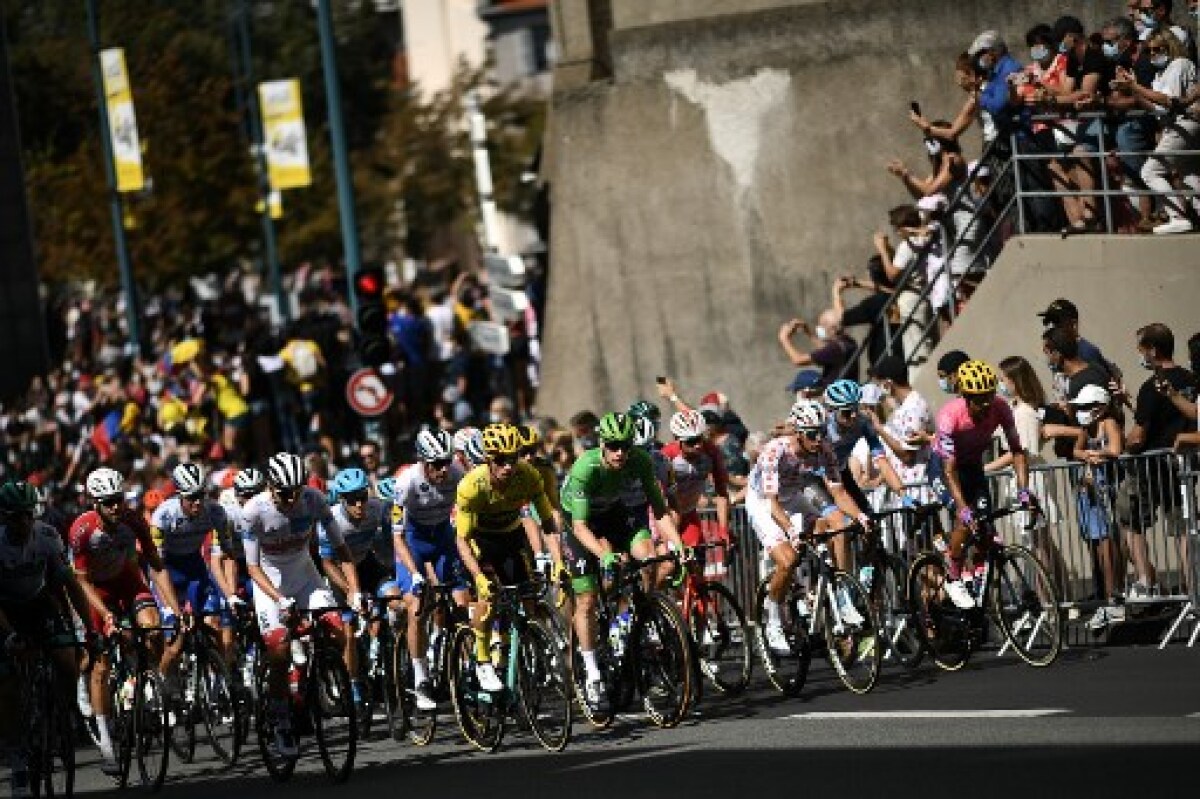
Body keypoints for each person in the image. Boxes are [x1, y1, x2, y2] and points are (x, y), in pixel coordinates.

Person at [559, 413, 687, 713]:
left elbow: (660, 510)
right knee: (588, 598)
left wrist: (678, 546)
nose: (620, 452)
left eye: (625, 446)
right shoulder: (585, 467)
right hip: (580, 521)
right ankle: (591, 674)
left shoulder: (640, 460)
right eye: (614, 446)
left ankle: (638, 615)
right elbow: (580, 526)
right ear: (602, 444)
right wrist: (603, 554)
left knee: (649, 558)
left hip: (615, 513)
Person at [242, 452, 358, 757]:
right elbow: (252, 568)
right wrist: (280, 600)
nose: (292, 499)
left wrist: (354, 591)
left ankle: (312, 682)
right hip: (270, 584)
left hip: (305, 576)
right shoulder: (254, 510)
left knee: (337, 629)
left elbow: (341, 549)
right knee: (279, 649)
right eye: (284, 493)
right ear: (270, 486)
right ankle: (280, 718)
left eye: (297, 491)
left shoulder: (314, 499)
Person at [70, 467, 182, 774]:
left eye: (118, 499)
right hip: (96, 592)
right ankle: (107, 744)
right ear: (95, 503)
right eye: (108, 502)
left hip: (127, 583)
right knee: (101, 666)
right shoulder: (82, 530)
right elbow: (80, 582)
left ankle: (148, 685)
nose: (116, 507)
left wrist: (175, 608)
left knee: (153, 628)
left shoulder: (133, 521)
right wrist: (105, 615)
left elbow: (156, 566)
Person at [746, 400, 870, 654]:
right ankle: (773, 622)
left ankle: (840, 593)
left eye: (822, 432)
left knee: (838, 523)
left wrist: (861, 516)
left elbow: (839, 492)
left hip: (794, 495)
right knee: (788, 560)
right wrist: (791, 531)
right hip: (764, 501)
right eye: (812, 434)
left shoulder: (824, 449)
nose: (818, 439)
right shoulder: (774, 451)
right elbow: (773, 504)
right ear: (799, 433)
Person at [0, 480, 94, 798]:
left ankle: (60, 711)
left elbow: (71, 585)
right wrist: (11, 636)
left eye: (28, 515)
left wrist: (89, 629)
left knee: (68, 659)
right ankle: (16, 760)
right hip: (6, 612)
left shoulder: (47, 537)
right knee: (10, 687)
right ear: (5, 517)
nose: (23, 522)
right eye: (16, 516)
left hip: (39, 604)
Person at [455, 424, 563, 695]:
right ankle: (482, 660)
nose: (507, 467)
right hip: (481, 541)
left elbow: (547, 523)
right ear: (488, 460)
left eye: (512, 459)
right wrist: (478, 577)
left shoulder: (528, 475)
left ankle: (514, 649)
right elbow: (462, 540)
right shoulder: (471, 485)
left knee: (528, 596)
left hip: (511, 537)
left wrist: (558, 561)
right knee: (489, 598)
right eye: (500, 461)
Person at [928, 361, 1038, 608]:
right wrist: (962, 508)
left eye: (989, 396)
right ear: (966, 397)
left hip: (972, 467)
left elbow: (1018, 452)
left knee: (985, 527)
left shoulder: (1001, 408)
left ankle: (978, 580)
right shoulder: (949, 416)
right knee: (965, 521)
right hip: (944, 469)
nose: (985, 405)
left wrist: (1024, 490)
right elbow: (949, 469)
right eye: (979, 399)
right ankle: (953, 576)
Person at [318, 467, 415, 716]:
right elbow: (327, 563)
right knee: (348, 634)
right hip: (340, 572)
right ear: (342, 500)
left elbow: (395, 541)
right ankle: (354, 687)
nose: (359, 504)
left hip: (367, 564)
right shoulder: (332, 521)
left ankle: (395, 655)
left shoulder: (378, 509)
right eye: (352, 500)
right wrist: (351, 592)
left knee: (399, 603)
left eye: (362, 496)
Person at [388, 431, 465, 711]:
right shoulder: (406, 483)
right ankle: (420, 677)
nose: (443, 469)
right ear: (422, 462)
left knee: (463, 601)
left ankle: (466, 665)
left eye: (446, 462)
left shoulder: (457, 474)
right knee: (416, 607)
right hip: (413, 542)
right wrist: (415, 573)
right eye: (436, 464)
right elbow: (396, 538)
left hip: (443, 537)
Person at [1122, 323, 1198, 597]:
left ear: (1152, 350)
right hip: (1182, 467)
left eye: (1140, 349)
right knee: (1183, 528)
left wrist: (1123, 444)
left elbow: (1140, 434)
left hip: (1151, 470)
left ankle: (1145, 581)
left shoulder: (1151, 386)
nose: (1139, 355)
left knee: (1130, 520)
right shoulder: (1191, 380)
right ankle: (1194, 591)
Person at [150, 463, 235, 690]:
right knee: (176, 642)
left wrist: (231, 594)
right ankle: (159, 684)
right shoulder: (162, 516)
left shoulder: (216, 511)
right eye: (191, 498)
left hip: (195, 570)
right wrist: (177, 612)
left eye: (201, 495)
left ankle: (219, 682)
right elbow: (157, 567)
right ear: (179, 495)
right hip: (167, 573)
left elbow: (228, 554)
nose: (198, 502)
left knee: (214, 623)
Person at [1113, 30, 1200, 234]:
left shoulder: (1180, 64)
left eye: (1157, 49)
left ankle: (1178, 216)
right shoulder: (1161, 73)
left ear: (1170, 46)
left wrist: (1136, 87)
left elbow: (1169, 101)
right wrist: (1132, 88)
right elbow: (1157, 108)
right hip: (1176, 124)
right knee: (1190, 175)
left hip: (1184, 124)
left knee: (1150, 172)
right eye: (1149, 51)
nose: (1153, 54)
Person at [1071, 385, 1127, 630]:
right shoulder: (1087, 427)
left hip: (1107, 490)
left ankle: (1114, 597)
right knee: (1096, 545)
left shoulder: (1109, 423)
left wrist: (1097, 454)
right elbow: (1076, 449)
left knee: (1109, 544)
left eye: (1086, 407)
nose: (1081, 411)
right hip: (1090, 492)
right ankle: (1106, 599)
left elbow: (1116, 449)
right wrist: (1087, 456)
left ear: (1100, 407)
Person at [661, 411, 731, 580]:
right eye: (691, 442)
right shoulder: (666, 456)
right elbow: (660, 502)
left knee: (697, 571)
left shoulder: (712, 452)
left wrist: (723, 529)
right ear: (678, 439)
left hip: (689, 513)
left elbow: (721, 493)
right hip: (664, 515)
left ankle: (696, 604)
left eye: (700, 439)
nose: (698, 446)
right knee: (668, 567)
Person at [777, 309, 858, 385]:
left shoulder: (835, 349)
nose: (819, 328)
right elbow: (825, 351)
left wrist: (784, 339)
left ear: (832, 329)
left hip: (836, 396)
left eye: (822, 326)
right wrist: (808, 332)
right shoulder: (848, 341)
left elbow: (798, 360)